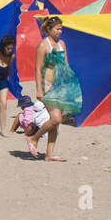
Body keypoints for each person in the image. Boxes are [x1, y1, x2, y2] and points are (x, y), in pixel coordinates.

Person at [28, 16, 82, 161]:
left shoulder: (62, 44)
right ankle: (34, 138)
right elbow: (38, 69)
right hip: (47, 86)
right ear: (48, 29)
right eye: (57, 29)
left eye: (61, 28)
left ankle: (49, 154)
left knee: (56, 122)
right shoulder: (43, 45)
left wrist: (70, 84)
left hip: (60, 86)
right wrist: (38, 89)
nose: (60, 31)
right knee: (56, 119)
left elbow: (66, 65)